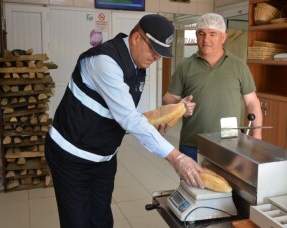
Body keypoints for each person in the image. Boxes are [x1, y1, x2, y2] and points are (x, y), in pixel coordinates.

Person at [44, 14, 204, 228]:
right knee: (77, 222)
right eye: (153, 50)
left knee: (101, 219)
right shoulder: (104, 62)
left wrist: (172, 110)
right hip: (71, 156)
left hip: (103, 158)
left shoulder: (137, 64)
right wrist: (176, 158)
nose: (156, 57)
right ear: (136, 38)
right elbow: (129, 119)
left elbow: (123, 113)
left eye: (161, 53)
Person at [163, 13, 263, 161]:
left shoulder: (239, 66)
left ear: (223, 37)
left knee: (227, 183)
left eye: (212, 34)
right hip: (192, 143)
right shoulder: (185, 66)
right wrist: (179, 106)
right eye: (201, 34)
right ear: (196, 36)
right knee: (191, 184)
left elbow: (252, 102)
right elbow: (168, 98)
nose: (206, 40)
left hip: (229, 143)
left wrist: (257, 134)